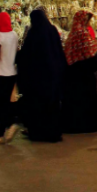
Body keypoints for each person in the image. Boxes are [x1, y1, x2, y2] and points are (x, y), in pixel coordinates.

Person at [16, 8, 66, 142]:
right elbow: (59, 52)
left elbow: (26, 56)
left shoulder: (33, 33)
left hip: (37, 79)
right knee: (52, 106)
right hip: (52, 77)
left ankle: (38, 133)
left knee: (38, 106)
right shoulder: (52, 31)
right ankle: (53, 132)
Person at [61, 10, 97, 134]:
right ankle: (88, 125)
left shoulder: (71, 35)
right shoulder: (83, 34)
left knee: (75, 100)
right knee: (87, 99)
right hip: (85, 74)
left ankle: (75, 125)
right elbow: (89, 54)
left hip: (72, 74)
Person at [0, 12, 20, 144]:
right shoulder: (14, 35)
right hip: (11, 73)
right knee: (6, 103)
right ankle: (3, 131)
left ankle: (7, 127)